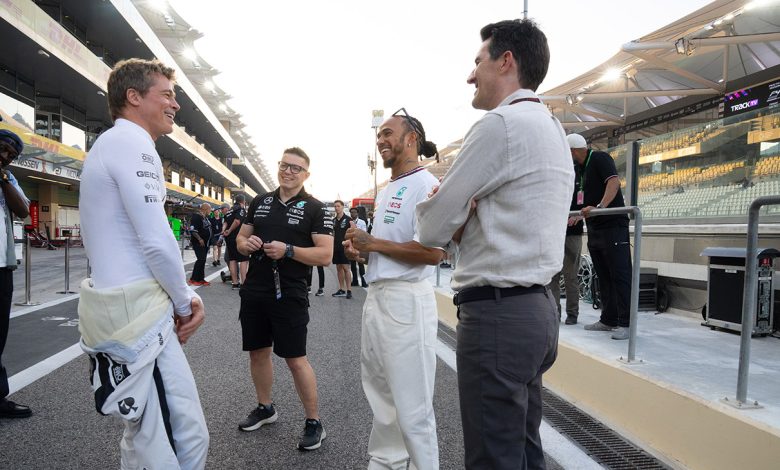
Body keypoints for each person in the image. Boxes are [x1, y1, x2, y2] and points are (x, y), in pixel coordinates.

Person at [416, 20, 573, 469]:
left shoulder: (499, 125)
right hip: (539, 310)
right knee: (523, 449)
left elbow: (431, 226)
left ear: (507, 61)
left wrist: (458, 212)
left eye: (477, 61)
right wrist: (467, 213)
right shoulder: (552, 129)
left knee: (492, 458)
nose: (471, 74)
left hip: (498, 313)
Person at [78, 58, 208, 469]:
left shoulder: (113, 144)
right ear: (133, 97)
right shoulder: (132, 142)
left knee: (145, 439)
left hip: (123, 313)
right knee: (182, 440)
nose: (176, 105)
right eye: (167, 95)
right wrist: (186, 304)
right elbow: (156, 240)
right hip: (138, 321)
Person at [345, 109, 443, 470]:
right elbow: (384, 247)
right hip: (378, 297)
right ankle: (386, 463)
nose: (381, 140)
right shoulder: (389, 189)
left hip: (406, 301)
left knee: (413, 406)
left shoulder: (426, 185)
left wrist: (374, 245)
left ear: (411, 139)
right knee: (382, 396)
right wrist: (361, 251)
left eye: (388, 133)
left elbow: (433, 252)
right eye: (379, 135)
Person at [235, 147, 333, 451]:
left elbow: (326, 255)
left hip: (290, 293)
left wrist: (289, 250)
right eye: (284, 166)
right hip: (255, 290)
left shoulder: (317, 208)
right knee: (257, 352)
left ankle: (314, 421)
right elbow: (239, 242)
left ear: (306, 174)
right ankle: (266, 407)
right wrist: (246, 243)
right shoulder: (260, 201)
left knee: (295, 359)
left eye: (296, 168)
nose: (288, 172)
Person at [567, 133, 632, 340]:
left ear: (573, 150)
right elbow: (581, 199)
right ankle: (608, 319)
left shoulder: (600, 158)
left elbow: (613, 183)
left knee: (620, 275)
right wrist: (578, 215)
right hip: (595, 227)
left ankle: (626, 323)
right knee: (603, 275)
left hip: (612, 225)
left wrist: (600, 208)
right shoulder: (579, 169)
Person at [0, 129, 31, 420]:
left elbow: (23, 209)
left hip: (2, 267)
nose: (5, 156)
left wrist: (5, 177)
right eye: (3, 149)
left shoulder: (8, 179)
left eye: (11, 155)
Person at [549, 166, 584, 325]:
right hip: (554, 233)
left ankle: (572, 313)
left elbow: (584, 203)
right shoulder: (553, 182)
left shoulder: (579, 178)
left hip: (572, 233)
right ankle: (555, 312)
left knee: (570, 276)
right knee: (552, 276)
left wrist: (577, 215)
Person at [224, 194, 249, 289]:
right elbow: (237, 221)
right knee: (244, 259)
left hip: (229, 238)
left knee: (232, 259)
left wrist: (224, 231)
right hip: (238, 237)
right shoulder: (241, 209)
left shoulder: (229, 210)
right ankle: (244, 283)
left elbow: (225, 222)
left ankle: (235, 283)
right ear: (243, 202)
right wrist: (230, 230)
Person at [331, 200, 353, 298]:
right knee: (338, 268)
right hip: (336, 248)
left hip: (345, 248)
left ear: (343, 207)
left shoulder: (349, 219)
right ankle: (341, 289)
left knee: (346, 268)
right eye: (335, 206)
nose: (336, 208)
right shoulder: (334, 220)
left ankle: (349, 290)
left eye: (338, 206)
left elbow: (354, 232)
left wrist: (351, 245)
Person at [188, 203, 212, 286]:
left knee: (203, 260)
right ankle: (193, 279)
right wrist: (199, 239)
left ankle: (201, 278)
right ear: (205, 209)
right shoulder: (196, 217)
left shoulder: (205, 218)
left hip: (206, 243)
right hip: (198, 242)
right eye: (209, 209)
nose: (210, 211)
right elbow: (193, 230)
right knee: (200, 259)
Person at [349, 207, 368, 288]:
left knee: (360, 264)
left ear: (357, 213)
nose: (353, 214)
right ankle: (355, 281)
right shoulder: (349, 221)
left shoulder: (362, 222)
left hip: (359, 246)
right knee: (353, 265)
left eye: (354, 212)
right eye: (351, 212)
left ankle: (364, 282)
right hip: (351, 245)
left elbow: (364, 232)